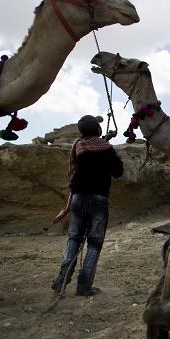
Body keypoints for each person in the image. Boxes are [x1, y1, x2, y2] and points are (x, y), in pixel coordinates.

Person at [51, 115, 124, 296]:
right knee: (94, 243)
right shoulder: (107, 150)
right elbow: (118, 172)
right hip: (99, 200)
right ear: (98, 130)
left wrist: (106, 139)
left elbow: (93, 148)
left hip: (77, 198)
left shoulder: (79, 146)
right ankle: (84, 286)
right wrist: (114, 153)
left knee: (74, 239)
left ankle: (61, 280)